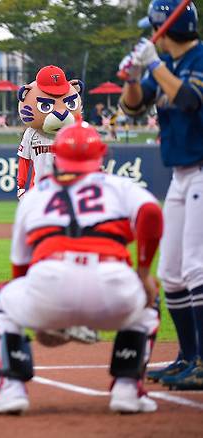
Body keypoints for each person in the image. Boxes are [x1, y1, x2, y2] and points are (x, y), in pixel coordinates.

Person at [0, 117, 163, 416]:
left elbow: (21, 268)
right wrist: (144, 271)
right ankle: (127, 388)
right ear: (102, 155)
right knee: (151, 297)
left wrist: (42, 319)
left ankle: (10, 389)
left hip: (50, 285)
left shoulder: (34, 197)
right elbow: (151, 213)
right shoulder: (119, 185)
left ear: (58, 156)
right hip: (114, 289)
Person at [118, 0, 203, 390]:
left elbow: (190, 101)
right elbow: (133, 109)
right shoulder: (163, 64)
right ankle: (188, 357)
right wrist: (134, 77)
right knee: (170, 273)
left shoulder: (199, 59)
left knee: (196, 268)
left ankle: (202, 361)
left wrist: (154, 64)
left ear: (164, 30)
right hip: (181, 174)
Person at [16, 65, 84, 200]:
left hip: (66, 189)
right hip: (39, 190)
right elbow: (24, 159)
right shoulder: (31, 133)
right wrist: (21, 185)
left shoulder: (73, 131)